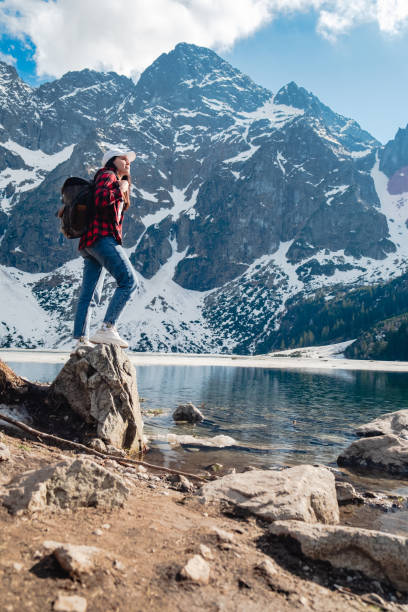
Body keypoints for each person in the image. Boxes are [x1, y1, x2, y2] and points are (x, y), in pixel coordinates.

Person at [72, 148, 139, 350]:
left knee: (89, 293)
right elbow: (101, 199)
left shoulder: (110, 178)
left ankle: (80, 341)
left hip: (89, 243)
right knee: (129, 282)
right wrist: (121, 188)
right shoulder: (107, 175)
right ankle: (108, 328)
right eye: (123, 159)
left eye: (129, 161)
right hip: (101, 238)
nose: (128, 162)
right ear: (111, 160)